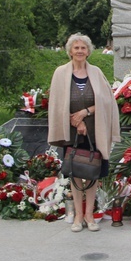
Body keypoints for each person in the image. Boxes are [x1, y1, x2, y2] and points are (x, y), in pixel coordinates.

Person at [47, 33, 120, 233]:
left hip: (94, 130)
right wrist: (75, 120)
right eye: (76, 48)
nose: (80, 51)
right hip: (70, 130)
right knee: (75, 172)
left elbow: (106, 101)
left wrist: (85, 113)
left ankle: (90, 214)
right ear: (70, 51)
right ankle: (78, 215)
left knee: (92, 171)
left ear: (88, 51)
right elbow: (57, 103)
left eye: (83, 48)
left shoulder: (96, 72)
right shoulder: (60, 73)